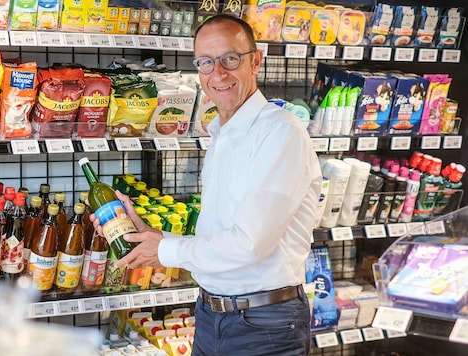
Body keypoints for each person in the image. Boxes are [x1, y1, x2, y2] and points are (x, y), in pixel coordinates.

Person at [91, 14, 322, 355]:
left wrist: (167, 251)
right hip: (212, 315)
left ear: (255, 60)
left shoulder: (279, 132)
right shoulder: (223, 134)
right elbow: (220, 239)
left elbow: (249, 245)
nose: (218, 74)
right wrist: (154, 239)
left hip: (263, 324)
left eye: (230, 58)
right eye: (206, 62)